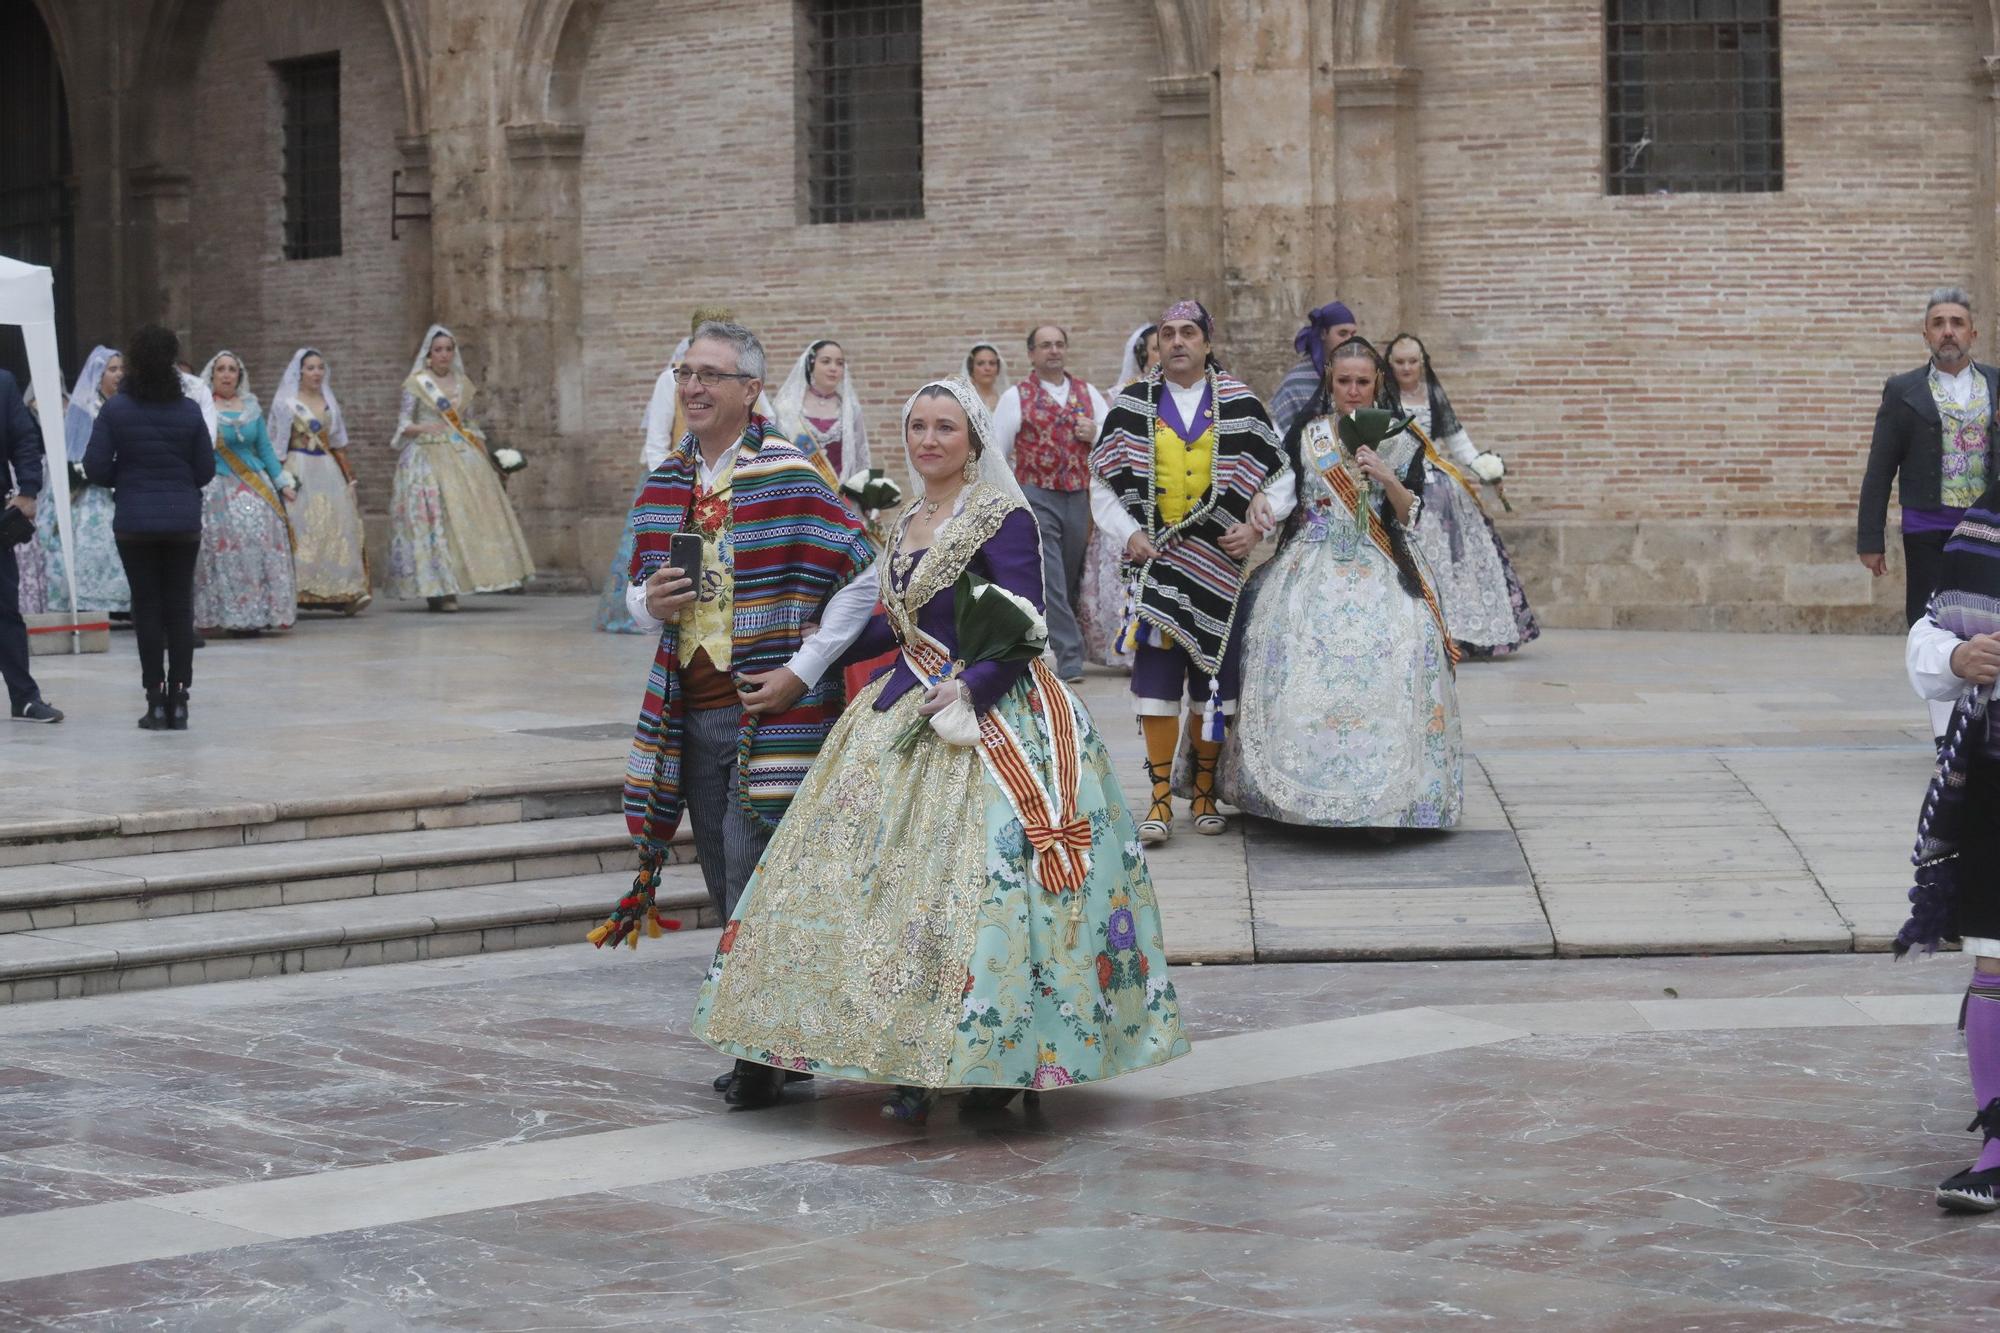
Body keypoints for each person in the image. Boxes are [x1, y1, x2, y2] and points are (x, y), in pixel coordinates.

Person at [690, 376, 1191, 1123]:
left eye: (945, 428)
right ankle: (870, 1049)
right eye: (918, 426)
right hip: (901, 711)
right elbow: (898, 621)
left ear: (973, 439)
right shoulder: (911, 518)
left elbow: (1023, 628)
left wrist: (973, 689)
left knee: (979, 899)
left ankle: (995, 1063)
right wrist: (807, 660)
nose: (929, 440)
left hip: (987, 721)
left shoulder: (1001, 518)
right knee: (849, 885)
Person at [606, 320, 878, 1101]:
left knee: (763, 878)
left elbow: (863, 569)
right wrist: (646, 600)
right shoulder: (669, 479)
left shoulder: (788, 471)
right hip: (689, 711)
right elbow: (639, 586)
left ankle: (766, 1053)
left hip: (771, 714)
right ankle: (770, 1039)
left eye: (710, 375)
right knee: (727, 879)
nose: (692, 387)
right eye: (686, 370)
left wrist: (803, 668)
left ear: (750, 390)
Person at [1222, 336, 1464, 831]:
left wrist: (1386, 477)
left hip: (1382, 562)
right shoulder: (1308, 434)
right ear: (1330, 383)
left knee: (1412, 635)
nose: (1353, 391)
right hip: (1312, 562)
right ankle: (1289, 794)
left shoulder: (1402, 437)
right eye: (1343, 382)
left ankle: (1399, 798)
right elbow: (1285, 490)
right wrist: (1262, 508)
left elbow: (1409, 514)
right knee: (1283, 637)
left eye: (1362, 381)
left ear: (1378, 383)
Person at [1090, 299, 1293, 845]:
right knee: (1155, 686)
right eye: (1167, 333)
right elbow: (1103, 483)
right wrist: (1128, 533)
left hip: (1220, 569)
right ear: (1157, 344)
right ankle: (1158, 802)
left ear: (1206, 342)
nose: (1177, 341)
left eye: (1188, 333)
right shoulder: (1132, 406)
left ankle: (1203, 793)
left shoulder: (1242, 404)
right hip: (1156, 565)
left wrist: (1256, 530)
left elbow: (1279, 477)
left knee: (1214, 688)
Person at [1896, 478, 2000, 1211]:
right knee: (1998, 953)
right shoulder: (1984, 529)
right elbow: (1928, 635)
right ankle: (1999, 1145)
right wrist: (1956, 660)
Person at [84, 325, 214, 731]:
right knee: (179, 607)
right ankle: (181, 698)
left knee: (147, 608)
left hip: (135, 522)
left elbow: (95, 467)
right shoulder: (190, 410)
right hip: (182, 521)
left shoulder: (117, 409)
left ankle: (155, 699)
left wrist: (127, 476)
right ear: (174, 363)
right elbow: (206, 470)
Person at [1385, 333, 1539, 659]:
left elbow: (1458, 442)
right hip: (1400, 487)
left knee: (1453, 563)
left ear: (1423, 362)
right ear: (1390, 364)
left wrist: (1485, 468)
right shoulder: (1384, 398)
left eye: (1413, 361)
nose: (1407, 367)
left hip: (1441, 492)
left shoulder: (1434, 395)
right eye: (1400, 362)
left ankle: (1458, 632)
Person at [595, 307, 746, 633]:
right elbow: (656, 440)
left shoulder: (740, 381)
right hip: (678, 481)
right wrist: (669, 485)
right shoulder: (671, 379)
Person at [991, 324, 1112, 683]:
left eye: (1059, 344)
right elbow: (998, 450)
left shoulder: (1087, 393)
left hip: (1079, 495)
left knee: (1073, 574)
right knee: (1054, 576)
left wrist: (1096, 434)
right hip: (1037, 495)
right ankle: (1069, 655)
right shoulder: (1016, 396)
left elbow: (1113, 439)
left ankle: (1077, 640)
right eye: (1045, 345)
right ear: (1031, 354)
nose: (1053, 351)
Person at [386, 325, 536, 611]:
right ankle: (437, 589)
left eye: (448, 349)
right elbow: (403, 424)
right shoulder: (416, 383)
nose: (444, 354)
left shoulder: (463, 384)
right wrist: (426, 427)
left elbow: (468, 424)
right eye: (438, 350)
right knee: (435, 520)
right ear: (429, 354)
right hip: (426, 457)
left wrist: (490, 459)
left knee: (465, 519)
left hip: (462, 455)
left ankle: (463, 581)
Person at [193, 352, 296, 635]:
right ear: (212, 376)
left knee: (261, 544)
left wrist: (281, 482)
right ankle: (227, 613)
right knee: (225, 549)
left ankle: (260, 611)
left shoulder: (251, 407)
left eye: (232, 370)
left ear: (240, 375)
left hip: (253, 482)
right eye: (221, 370)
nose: (227, 375)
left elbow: (264, 448)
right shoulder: (202, 407)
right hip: (217, 484)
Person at [1078, 324, 1158, 671]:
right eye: (1155, 348)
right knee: (1116, 575)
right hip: (1126, 499)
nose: (1162, 353)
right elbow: (1104, 448)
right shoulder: (1117, 397)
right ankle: (1125, 646)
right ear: (1143, 355)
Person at [270, 348, 371, 616]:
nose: (316, 372)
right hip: (297, 467)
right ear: (299, 372)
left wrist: (349, 476)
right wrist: (278, 481)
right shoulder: (285, 402)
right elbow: (277, 446)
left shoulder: (329, 400)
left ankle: (342, 590)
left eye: (320, 367)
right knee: (300, 525)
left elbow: (338, 443)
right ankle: (298, 590)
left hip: (326, 469)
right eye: (311, 368)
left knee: (337, 526)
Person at [38, 346, 129, 616]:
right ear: (98, 375)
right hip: (91, 490)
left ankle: (125, 605)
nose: (118, 374)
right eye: (112, 369)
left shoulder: (127, 405)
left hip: (122, 487)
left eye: (121, 369)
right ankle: (92, 601)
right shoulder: (85, 409)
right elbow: (73, 454)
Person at [1, 369, 61, 722]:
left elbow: (24, 438)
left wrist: (28, 490)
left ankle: (23, 697)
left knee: (5, 609)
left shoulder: (3, 384)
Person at [770, 339, 869, 484]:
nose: (833, 368)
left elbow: (861, 459)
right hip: (799, 496)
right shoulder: (787, 409)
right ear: (811, 363)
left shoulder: (850, 410)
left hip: (840, 498)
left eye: (839, 363)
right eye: (826, 361)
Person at [1269, 300, 1358, 440]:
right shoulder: (1294, 386)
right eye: (1342, 333)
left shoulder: (1359, 379)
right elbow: (1280, 439)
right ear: (1323, 333)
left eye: (1353, 334)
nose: (1349, 340)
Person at [964, 341, 1008, 416]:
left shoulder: (1006, 400)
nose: (987, 368)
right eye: (980, 363)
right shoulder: (964, 401)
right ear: (971, 368)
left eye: (992, 363)